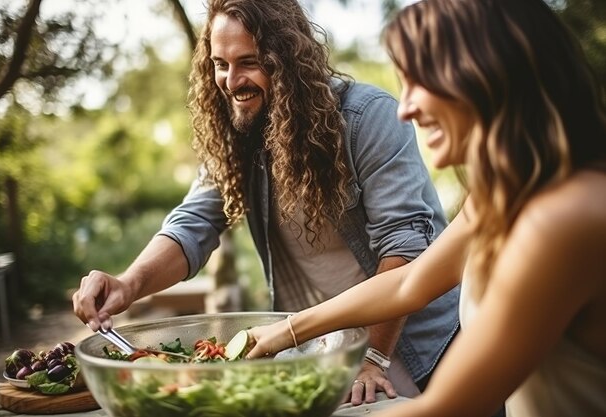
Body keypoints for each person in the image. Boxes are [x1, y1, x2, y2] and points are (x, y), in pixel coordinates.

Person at [71, 0, 460, 406]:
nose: (231, 80)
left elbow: (405, 247)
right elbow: (192, 223)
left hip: (412, 344)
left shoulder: (366, 118)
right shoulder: (238, 131)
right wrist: (128, 283)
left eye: (249, 62)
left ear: (287, 58)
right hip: (318, 349)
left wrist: (373, 358)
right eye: (220, 63)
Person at [245, 0, 606, 415]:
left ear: (486, 71)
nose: (405, 108)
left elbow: (447, 406)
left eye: (421, 81)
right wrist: (284, 332)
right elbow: (408, 283)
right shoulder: (503, 198)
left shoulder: (564, 218)